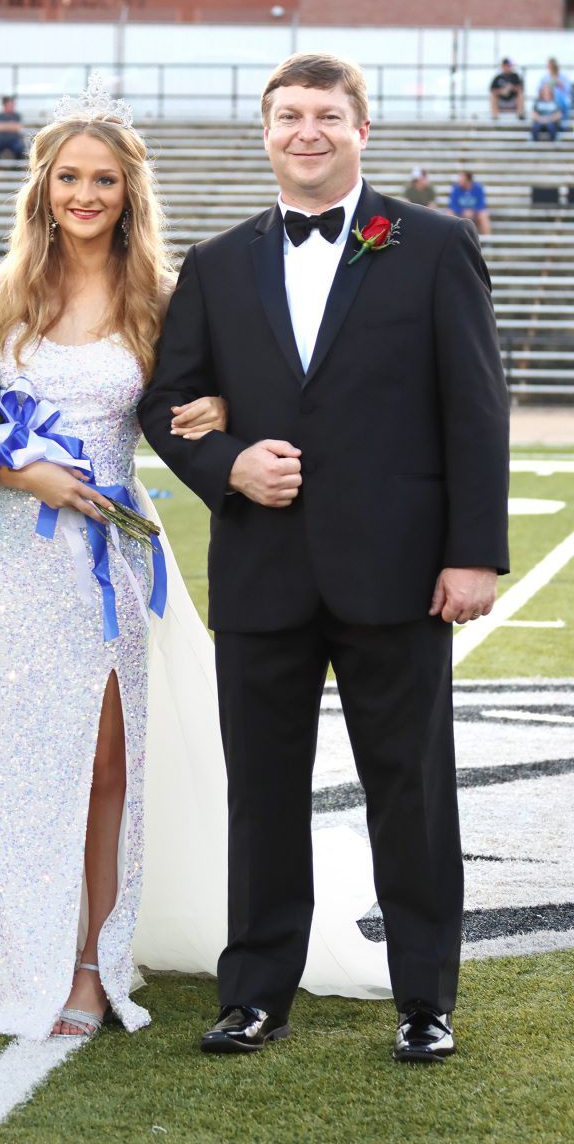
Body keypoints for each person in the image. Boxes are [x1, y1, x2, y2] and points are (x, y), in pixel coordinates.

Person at [0, 78, 392, 1044]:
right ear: (45, 186)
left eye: (104, 178)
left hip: (114, 552)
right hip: (14, 556)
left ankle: (91, 964)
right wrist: (30, 481)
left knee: (109, 762)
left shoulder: (161, 297)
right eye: (70, 177)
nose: (87, 194)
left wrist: (217, 416)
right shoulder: (1, 294)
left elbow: (209, 398)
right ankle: (23, 950)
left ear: (128, 190)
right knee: (24, 763)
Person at [139, 51, 510, 1063]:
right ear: (264, 130)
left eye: (326, 115)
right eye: (288, 115)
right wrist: (225, 464)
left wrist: (472, 554)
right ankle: (254, 992)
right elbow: (165, 403)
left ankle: (424, 998)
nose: (306, 131)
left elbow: (475, 410)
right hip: (261, 565)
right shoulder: (214, 264)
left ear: (361, 129)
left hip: (397, 569)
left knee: (411, 789)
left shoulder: (431, 245)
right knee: (259, 792)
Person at [447, 170, 492, 236]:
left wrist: (473, 211)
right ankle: (449, 238)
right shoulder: (456, 188)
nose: (459, 180)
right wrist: (462, 211)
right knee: (450, 213)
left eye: (461, 178)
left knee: (483, 215)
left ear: (468, 180)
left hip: (475, 213)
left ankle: (488, 241)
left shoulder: (478, 188)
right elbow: (452, 205)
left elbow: (481, 204)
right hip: (460, 213)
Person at [0, 95, 26, 160]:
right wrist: (11, 125)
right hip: (1, 141)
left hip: (14, 141)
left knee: (20, 149)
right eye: (10, 104)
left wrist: (5, 126)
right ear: (5, 105)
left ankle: (16, 168)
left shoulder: (17, 115)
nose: (12, 106)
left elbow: (18, 127)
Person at [538, 58, 570, 124]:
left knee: (558, 95)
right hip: (548, 100)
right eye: (549, 67)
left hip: (561, 101)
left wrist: (559, 83)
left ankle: (561, 122)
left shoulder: (563, 77)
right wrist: (547, 86)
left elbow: (568, 90)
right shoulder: (545, 78)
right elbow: (539, 91)